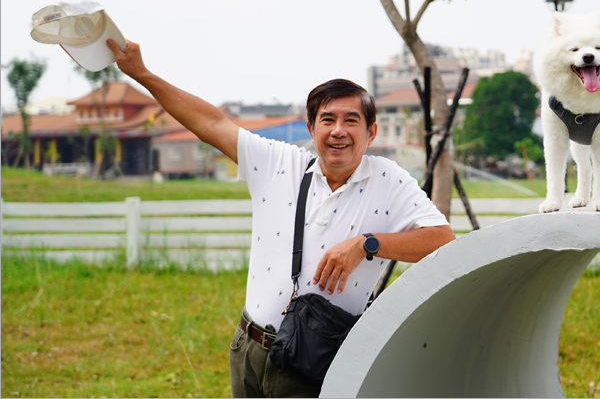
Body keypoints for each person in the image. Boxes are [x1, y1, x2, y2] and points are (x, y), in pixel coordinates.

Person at [107, 39, 456, 397]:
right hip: (249, 345)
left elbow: (444, 241)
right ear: (311, 128)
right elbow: (210, 122)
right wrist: (142, 74)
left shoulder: (390, 180)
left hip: (315, 355)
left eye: (351, 120)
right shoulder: (278, 163)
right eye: (328, 120)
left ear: (371, 132)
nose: (338, 130)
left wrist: (368, 244)